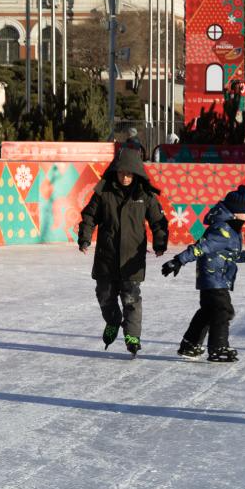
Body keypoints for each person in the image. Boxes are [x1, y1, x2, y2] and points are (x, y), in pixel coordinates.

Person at [77, 148, 168, 357]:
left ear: (136, 173)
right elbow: (89, 216)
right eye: (121, 173)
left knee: (131, 298)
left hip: (131, 258)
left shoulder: (144, 195)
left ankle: (132, 336)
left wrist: (160, 243)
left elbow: (158, 221)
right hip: (107, 256)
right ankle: (112, 320)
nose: (125, 177)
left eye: (129, 174)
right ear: (115, 172)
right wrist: (85, 238)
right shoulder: (104, 192)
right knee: (104, 294)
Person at [161, 185, 245, 362]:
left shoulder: (230, 229)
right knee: (222, 310)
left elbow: (229, 254)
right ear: (236, 212)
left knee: (208, 311)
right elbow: (200, 248)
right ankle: (218, 348)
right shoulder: (222, 229)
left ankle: (190, 345)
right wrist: (178, 260)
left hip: (215, 277)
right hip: (214, 277)